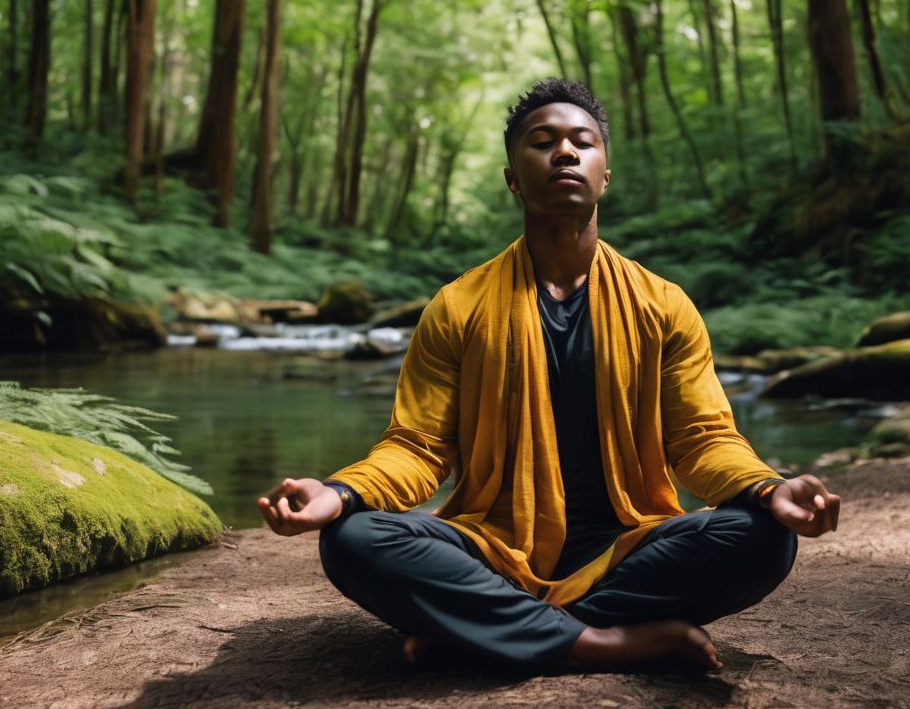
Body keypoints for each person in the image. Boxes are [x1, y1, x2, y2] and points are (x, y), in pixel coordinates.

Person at [257, 79, 840, 673]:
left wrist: (770, 487)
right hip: (491, 548)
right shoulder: (459, 306)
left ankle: (481, 631)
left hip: (626, 546)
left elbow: (701, 440)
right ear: (514, 178)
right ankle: (605, 642)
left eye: (582, 143)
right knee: (354, 540)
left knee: (765, 537)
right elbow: (419, 447)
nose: (565, 152)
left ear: (605, 174)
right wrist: (341, 492)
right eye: (544, 143)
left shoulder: (663, 305)